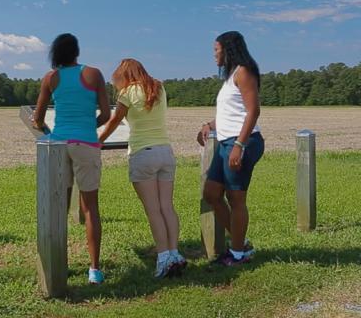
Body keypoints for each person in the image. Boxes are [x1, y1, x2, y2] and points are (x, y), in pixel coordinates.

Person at [32, 33, 111, 284]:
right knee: (90, 208)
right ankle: (95, 270)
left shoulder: (50, 78)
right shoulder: (94, 74)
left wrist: (51, 133)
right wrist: (89, 125)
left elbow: (37, 118)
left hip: (58, 145)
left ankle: (59, 263)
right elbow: (107, 115)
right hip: (86, 143)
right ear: (77, 51)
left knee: (60, 208)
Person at [99, 59, 186, 278]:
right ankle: (175, 253)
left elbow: (114, 121)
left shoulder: (127, 93)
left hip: (142, 153)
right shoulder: (158, 87)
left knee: (153, 209)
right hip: (165, 152)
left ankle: (163, 258)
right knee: (167, 206)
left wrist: (98, 141)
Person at [197, 31, 264, 266]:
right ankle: (240, 243)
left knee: (236, 199)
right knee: (212, 194)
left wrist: (239, 145)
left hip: (242, 142)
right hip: (226, 142)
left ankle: (237, 254)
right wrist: (209, 125)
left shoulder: (244, 72)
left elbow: (253, 111)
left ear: (228, 50)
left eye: (216, 50)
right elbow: (230, 114)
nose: (214, 54)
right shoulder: (230, 77)